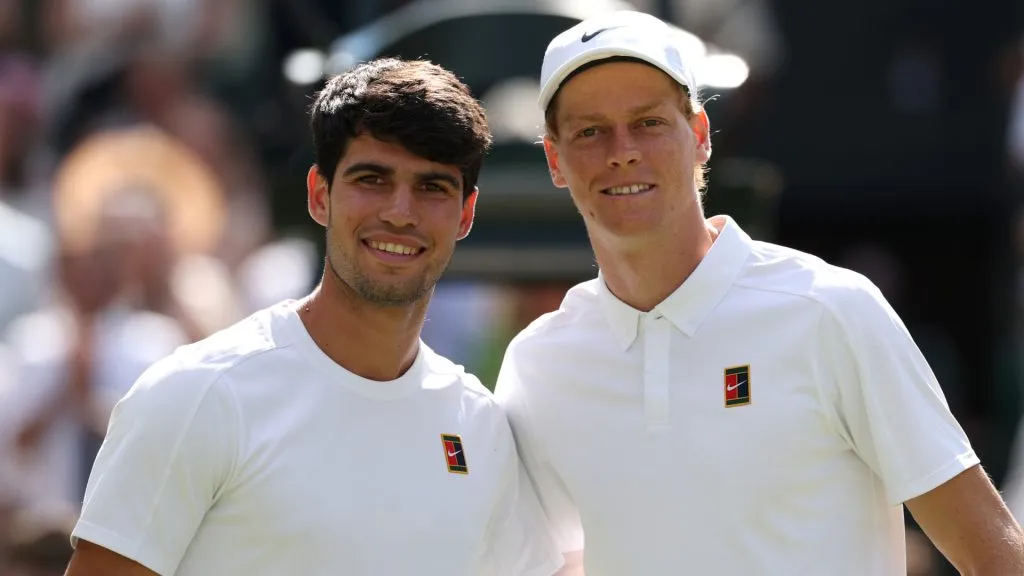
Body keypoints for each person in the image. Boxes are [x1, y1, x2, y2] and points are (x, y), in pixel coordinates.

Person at [494, 10, 1024, 575]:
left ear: (699, 137)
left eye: (648, 122)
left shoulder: (831, 311)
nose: (622, 150)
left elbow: (994, 558)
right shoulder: (538, 363)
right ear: (555, 159)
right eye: (590, 131)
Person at [63, 57, 564, 576]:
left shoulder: (479, 426)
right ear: (320, 195)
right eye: (373, 178)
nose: (400, 211)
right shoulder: (199, 395)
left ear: (465, 214)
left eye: (432, 187)